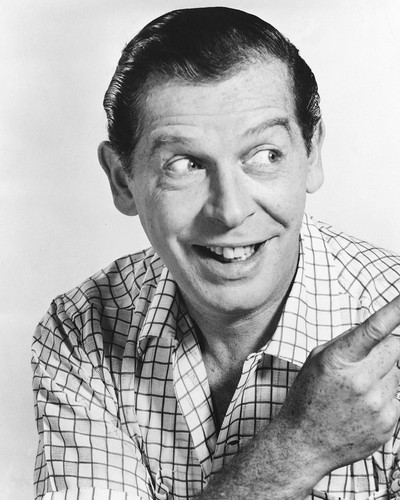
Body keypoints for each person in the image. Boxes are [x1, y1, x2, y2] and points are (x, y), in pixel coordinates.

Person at [32, 7, 400, 500]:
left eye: (265, 155)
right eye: (184, 164)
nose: (229, 211)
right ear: (122, 180)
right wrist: (301, 448)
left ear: (312, 154)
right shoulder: (82, 330)